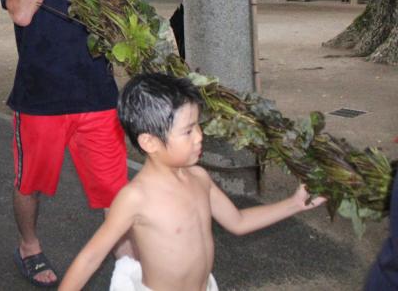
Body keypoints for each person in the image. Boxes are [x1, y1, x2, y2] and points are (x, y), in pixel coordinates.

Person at [0, 0, 130, 287]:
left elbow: (112, 20)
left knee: (116, 188)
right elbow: (21, 11)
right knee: (29, 183)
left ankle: (129, 261)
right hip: (41, 93)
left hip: (96, 91)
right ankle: (29, 246)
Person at [59, 73, 326, 291]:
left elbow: (238, 222)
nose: (199, 136)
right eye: (187, 131)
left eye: (198, 125)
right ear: (149, 142)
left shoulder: (199, 177)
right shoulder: (135, 198)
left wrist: (294, 204)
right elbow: (91, 257)